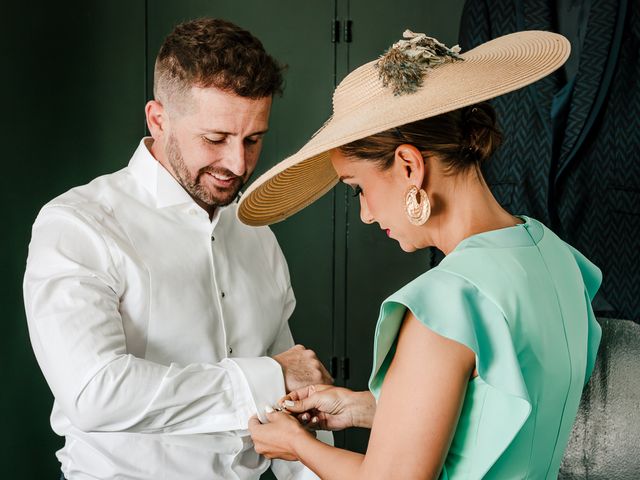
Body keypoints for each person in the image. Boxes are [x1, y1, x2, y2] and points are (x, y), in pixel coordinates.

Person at [238, 30, 602, 479]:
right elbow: (496, 406)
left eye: (358, 189)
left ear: (409, 165)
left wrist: (297, 445)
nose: (367, 214)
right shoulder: (557, 257)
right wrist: (360, 407)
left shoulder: (448, 302)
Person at [23, 18, 332, 480]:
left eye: (253, 139)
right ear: (158, 118)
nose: (238, 163)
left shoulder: (258, 237)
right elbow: (94, 392)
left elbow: (292, 397)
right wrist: (265, 377)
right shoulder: (77, 225)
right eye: (216, 139)